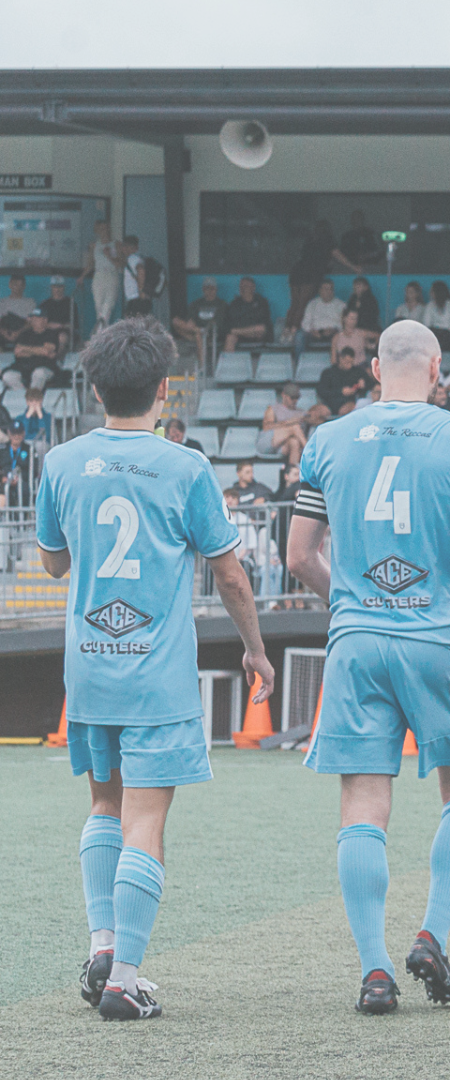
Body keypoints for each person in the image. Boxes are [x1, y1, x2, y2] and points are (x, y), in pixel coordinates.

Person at [36, 317, 274, 1021]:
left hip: (90, 671)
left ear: (96, 386)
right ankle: (125, 979)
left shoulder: (61, 463)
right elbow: (230, 576)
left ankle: (100, 943)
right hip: (157, 677)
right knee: (146, 819)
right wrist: (256, 648)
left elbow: (53, 561)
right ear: (164, 389)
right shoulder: (185, 465)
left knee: (103, 806)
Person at [286, 319, 450, 1017]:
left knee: (363, 806)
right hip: (439, 639)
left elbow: (299, 554)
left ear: (374, 371)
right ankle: (432, 935)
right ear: (438, 368)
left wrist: (352, 605)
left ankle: (376, 972)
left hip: (358, 639)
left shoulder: (327, 438)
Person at [285, 221, 341, 341]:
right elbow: (336, 254)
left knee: (295, 303)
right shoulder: (326, 239)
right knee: (301, 303)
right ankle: (293, 330)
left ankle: (287, 330)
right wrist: (354, 267)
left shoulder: (310, 239)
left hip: (297, 270)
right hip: (310, 273)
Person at [6, 309, 62, 391]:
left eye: (36, 318)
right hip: (24, 366)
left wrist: (25, 348)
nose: (33, 320)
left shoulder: (51, 334)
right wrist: (38, 350)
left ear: (45, 320)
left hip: (45, 366)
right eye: (32, 318)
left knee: (39, 373)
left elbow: (46, 351)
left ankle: (34, 399)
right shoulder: (24, 334)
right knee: (8, 376)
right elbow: (18, 352)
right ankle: (25, 398)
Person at [83, 220, 123, 335]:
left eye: (105, 228)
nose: (103, 231)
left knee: (108, 306)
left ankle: (99, 334)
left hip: (111, 275)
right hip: (98, 276)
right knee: (99, 306)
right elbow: (90, 263)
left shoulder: (116, 244)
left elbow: (120, 264)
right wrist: (82, 276)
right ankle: (103, 334)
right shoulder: (95, 245)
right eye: (100, 229)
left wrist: (109, 256)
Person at [295, 279, 346, 365]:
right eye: (325, 289)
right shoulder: (312, 304)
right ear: (320, 291)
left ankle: (337, 366)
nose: (328, 292)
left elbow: (345, 324)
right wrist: (311, 331)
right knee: (299, 336)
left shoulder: (341, 305)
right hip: (314, 333)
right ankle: (299, 365)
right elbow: (305, 323)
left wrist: (334, 330)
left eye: (330, 289)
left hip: (333, 333)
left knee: (342, 337)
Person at [173, 279, 226, 355]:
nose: (210, 291)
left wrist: (205, 330)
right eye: (207, 288)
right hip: (196, 330)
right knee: (176, 321)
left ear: (216, 290)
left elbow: (219, 323)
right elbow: (190, 320)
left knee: (198, 335)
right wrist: (193, 325)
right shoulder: (196, 303)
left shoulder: (221, 304)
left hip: (212, 332)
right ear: (203, 289)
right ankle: (200, 336)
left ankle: (202, 364)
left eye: (212, 288)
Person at [316, 346, 373, 417]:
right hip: (329, 403)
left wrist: (364, 385)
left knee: (346, 410)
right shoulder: (328, 372)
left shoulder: (358, 372)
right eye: (347, 362)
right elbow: (321, 391)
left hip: (349, 403)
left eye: (351, 363)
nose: (349, 365)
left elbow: (372, 385)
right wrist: (340, 391)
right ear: (340, 359)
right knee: (319, 412)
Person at [223, 277, 272, 354]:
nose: (243, 289)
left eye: (246, 286)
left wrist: (239, 331)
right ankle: (228, 365)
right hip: (240, 337)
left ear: (253, 288)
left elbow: (263, 327)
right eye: (241, 287)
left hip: (258, 336)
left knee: (260, 329)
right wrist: (247, 331)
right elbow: (230, 327)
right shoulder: (235, 303)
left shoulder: (261, 302)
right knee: (230, 337)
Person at [423, 281, 450, 352]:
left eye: (432, 291)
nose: (430, 294)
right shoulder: (430, 306)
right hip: (436, 335)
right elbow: (426, 325)